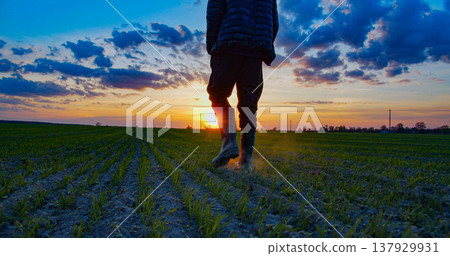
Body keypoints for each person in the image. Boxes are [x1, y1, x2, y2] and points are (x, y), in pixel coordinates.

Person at [206, 0, 278, 171]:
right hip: (255, 51)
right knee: (249, 106)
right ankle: (245, 162)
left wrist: (212, 46)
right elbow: (274, 21)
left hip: (229, 45)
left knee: (217, 94)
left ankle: (228, 143)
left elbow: (214, 14)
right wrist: (265, 45)